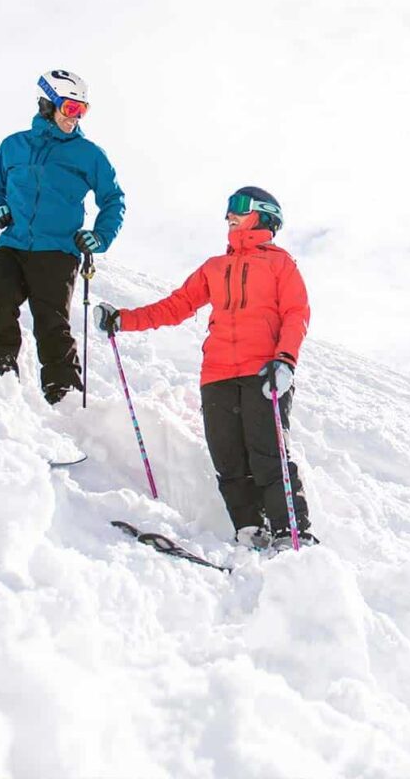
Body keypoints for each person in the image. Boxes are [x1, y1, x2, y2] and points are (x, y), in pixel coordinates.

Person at [94, 186, 317, 553]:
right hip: (217, 375)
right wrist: (123, 320)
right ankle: (249, 529)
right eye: (228, 208)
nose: (230, 214)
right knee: (227, 456)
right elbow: (176, 306)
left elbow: (296, 313)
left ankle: (292, 535)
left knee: (268, 453)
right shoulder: (216, 267)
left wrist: (286, 360)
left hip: (264, 372)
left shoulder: (280, 264)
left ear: (264, 214)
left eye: (240, 207)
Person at [0, 69, 125, 404]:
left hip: (57, 250)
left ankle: (64, 394)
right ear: (48, 104)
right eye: (70, 109)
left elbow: (114, 199)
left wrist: (100, 236)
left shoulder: (89, 154)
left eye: (82, 111)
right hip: (13, 243)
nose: (76, 118)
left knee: (51, 321)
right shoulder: (13, 146)